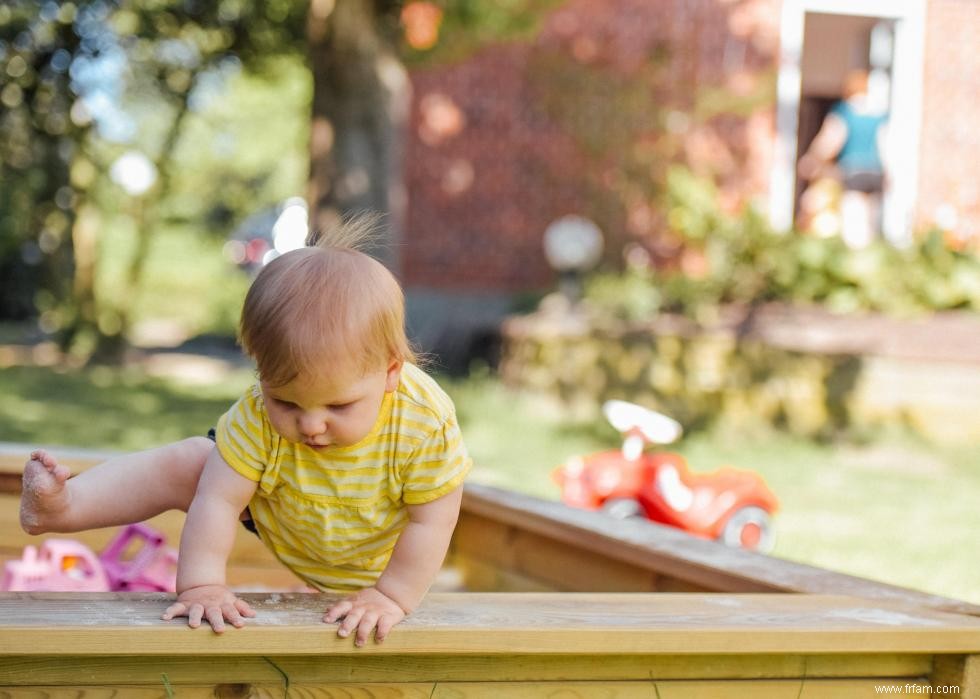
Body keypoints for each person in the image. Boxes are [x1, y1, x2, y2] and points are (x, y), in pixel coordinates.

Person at [19, 216, 471, 646]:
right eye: (286, 402)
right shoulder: (255, 414)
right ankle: (63, 507)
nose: (311, 425)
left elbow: (433, 518)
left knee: (410, 540)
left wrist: (391, 595)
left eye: (339, 405)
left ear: (391, 373)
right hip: (288, 512)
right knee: (194, 462)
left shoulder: (422, 422)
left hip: (380, 552)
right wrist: (202, 586)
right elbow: (217, 501)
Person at [798, 69, 889, 248]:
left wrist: (814, 158)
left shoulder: (845, 112)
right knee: (871, 217)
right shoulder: (878, 114)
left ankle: (855, 256)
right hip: (875, 170)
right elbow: (884, 143)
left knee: (854, 217)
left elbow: (832, 138)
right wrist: (888, 171)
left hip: (853, 168)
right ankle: (869, 252)